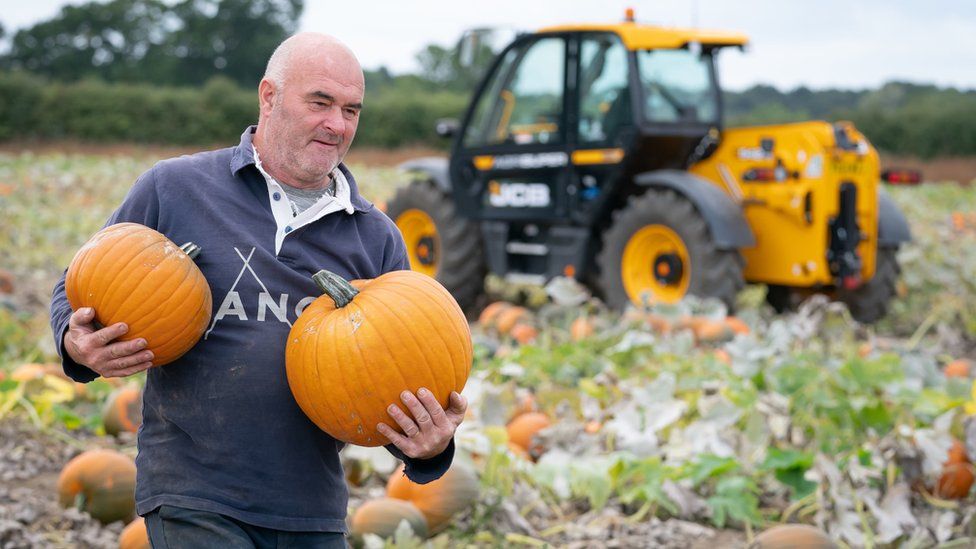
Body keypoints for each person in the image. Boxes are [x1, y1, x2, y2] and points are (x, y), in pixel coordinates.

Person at [49, 33, 467, 548]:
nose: (337, 125)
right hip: (194, 492)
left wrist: (429, 449)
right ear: (269, 96)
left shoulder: (375, 236)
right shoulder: (175, 189)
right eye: (320, 103)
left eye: (351, 110)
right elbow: (79, 285)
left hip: (311, 507)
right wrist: (75, 341)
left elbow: (401, 375)